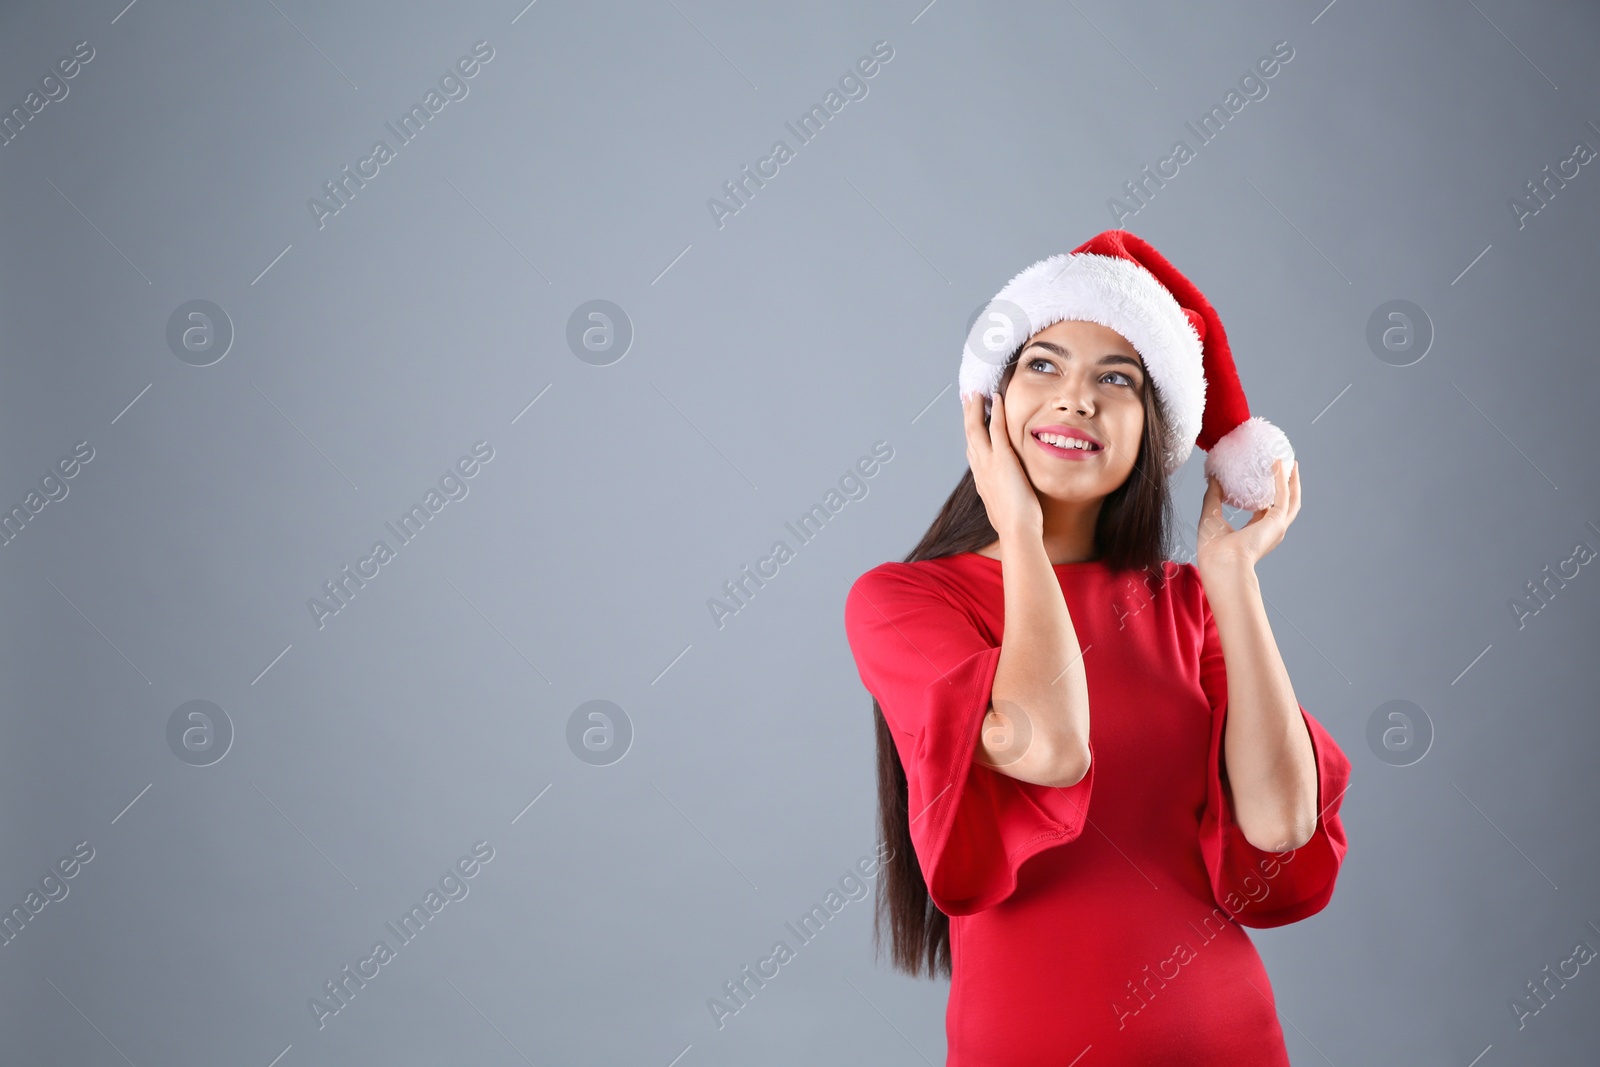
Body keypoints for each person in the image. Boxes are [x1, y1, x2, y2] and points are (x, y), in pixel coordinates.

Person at [842, 231, 1351, 1065]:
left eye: (1116, 379)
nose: (1076, 398)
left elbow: (1284, 822)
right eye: (1043, 365)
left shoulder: (1191, 607)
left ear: (1153, 429)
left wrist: (1230, 576)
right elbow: (1049, 747)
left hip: (1230, 1037)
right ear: (988, 404)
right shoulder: (905, 601)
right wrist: (1020, 530)